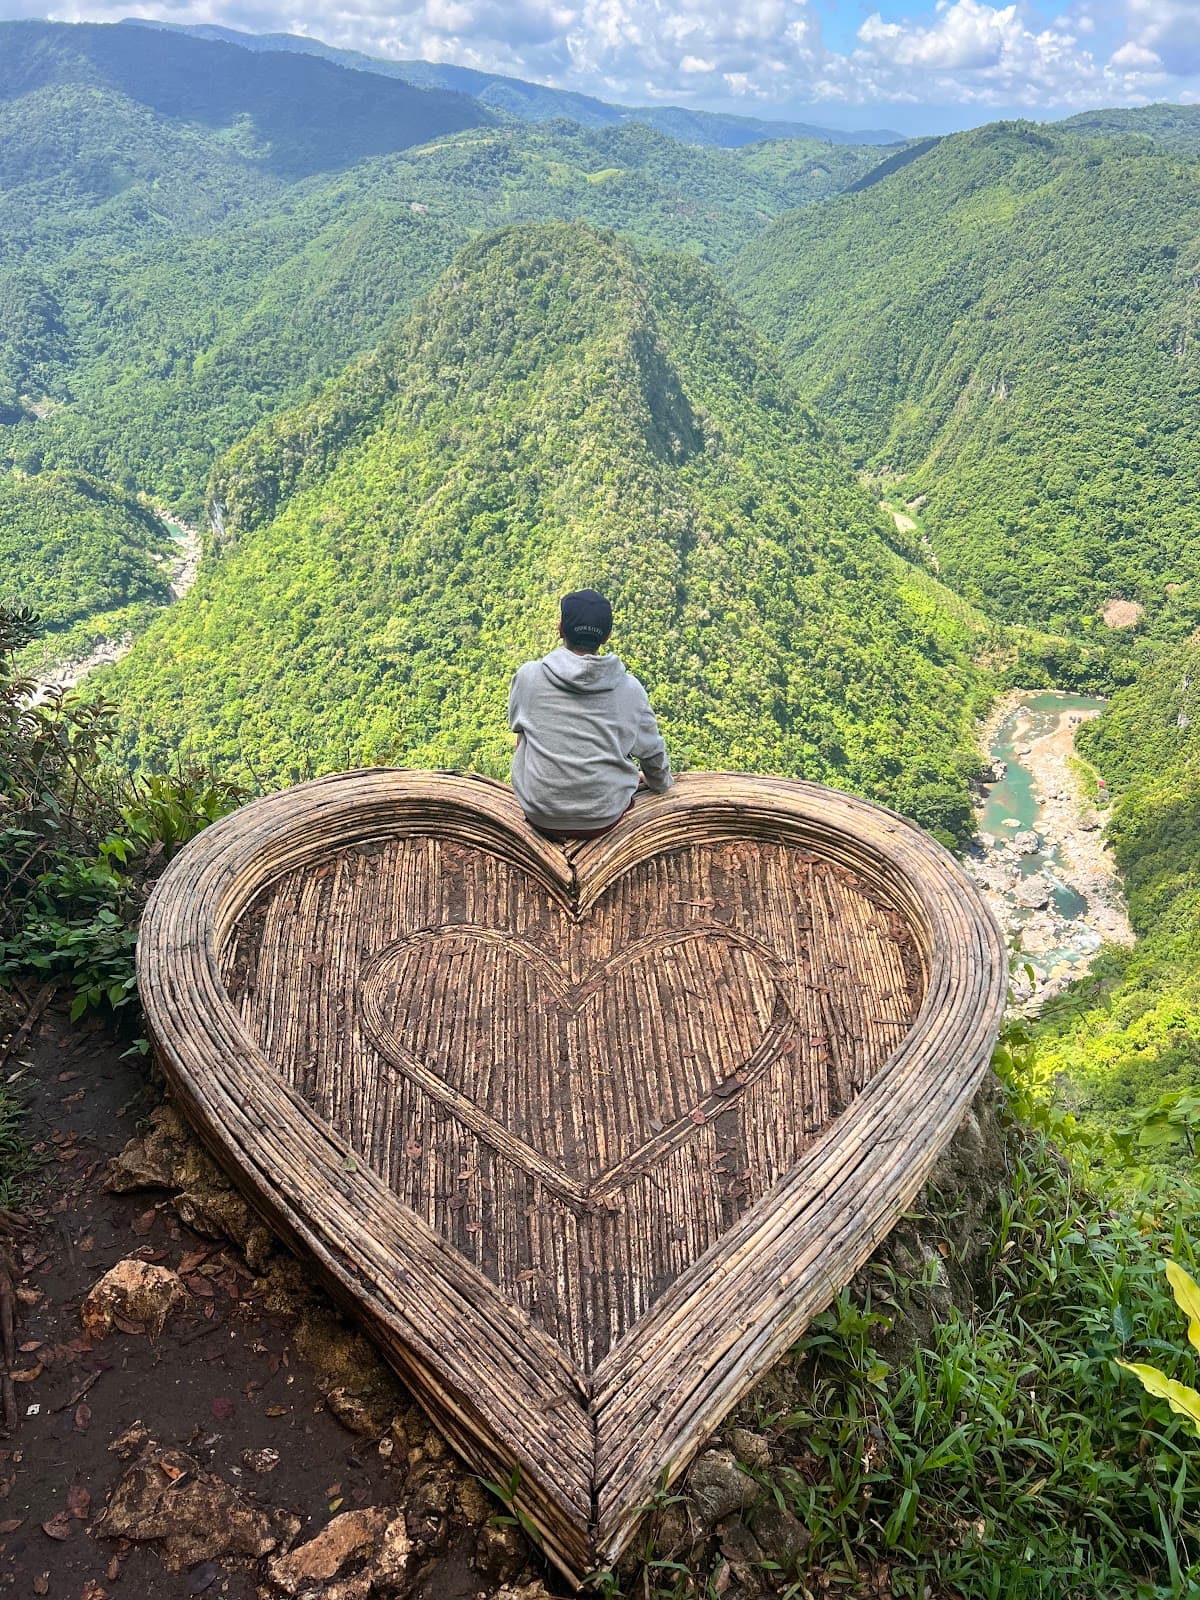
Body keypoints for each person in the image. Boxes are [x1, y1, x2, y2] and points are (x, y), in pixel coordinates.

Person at [509, 589, 673, 839]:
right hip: (602, 817)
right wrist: (660, 783)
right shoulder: (630, 689)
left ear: (560, 629)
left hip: (540, 813)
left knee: (524, 733)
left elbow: (520, 734)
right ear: (607, 636)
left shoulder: (528, 677)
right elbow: (652, 752)